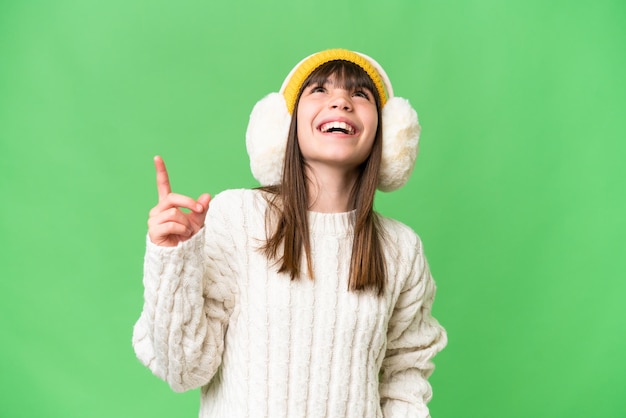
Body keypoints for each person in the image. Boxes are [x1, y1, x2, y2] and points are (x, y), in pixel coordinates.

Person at [133, 48, 447, 418]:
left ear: (388, 134)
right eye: (319, 90)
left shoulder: (400, 249)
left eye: (360, 94)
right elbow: (183, 370)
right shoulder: (238, 217)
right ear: (285, 124)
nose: (341, 102)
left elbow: (404, 379)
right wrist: (175, 261)